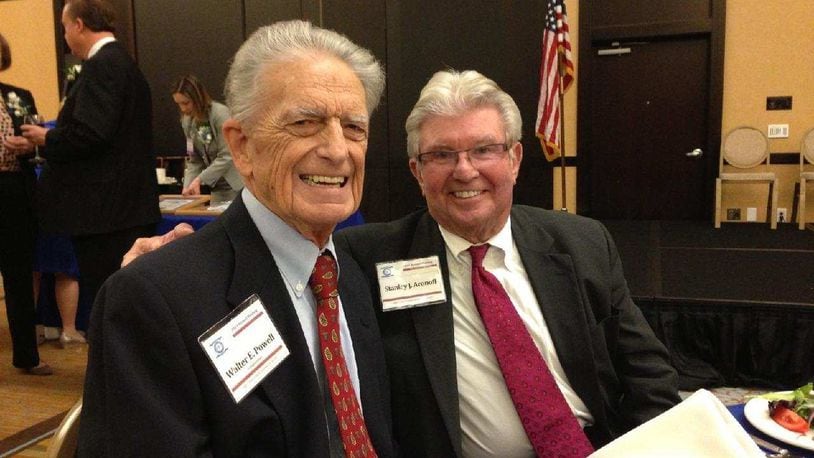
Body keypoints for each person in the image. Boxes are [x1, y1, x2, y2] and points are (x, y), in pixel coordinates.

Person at [77, 20, 396, 456]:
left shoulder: (352, 274)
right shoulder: (155, 302)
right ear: (242, 146)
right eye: (306, 122)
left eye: (355, 128)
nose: (338, 150)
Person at [334, 70, 681, 456]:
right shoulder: (365, 257)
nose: (464, 170)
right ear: (417, 171)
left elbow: (646, 371)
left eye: (484, 150)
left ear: (514, 159)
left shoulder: (583, 243)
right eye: (442, 155)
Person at [21, 0, 160, 311]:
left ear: (79, 25)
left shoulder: (103, 66)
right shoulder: (123, 62)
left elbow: (92, 134)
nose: (66, 37)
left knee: (110, 301)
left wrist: (47, 137)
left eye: (64, 28)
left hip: (106, 215)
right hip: (121, 209)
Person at [0, 32, 52, 375]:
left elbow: (41, 141)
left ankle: (27, 356)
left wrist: (29, 147)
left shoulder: (19, 96)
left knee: (19, 275)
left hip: (14, 191)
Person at [171, 74, 242, 204]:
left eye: (186, 103)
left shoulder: (220, 114)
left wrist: (200, 179)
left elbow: (227, 155)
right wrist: (187, 186)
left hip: (237, 186)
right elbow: (194, 159)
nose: (183, 109)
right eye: (179, 104)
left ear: (198, 98)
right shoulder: (187, 122)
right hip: (216, 188)